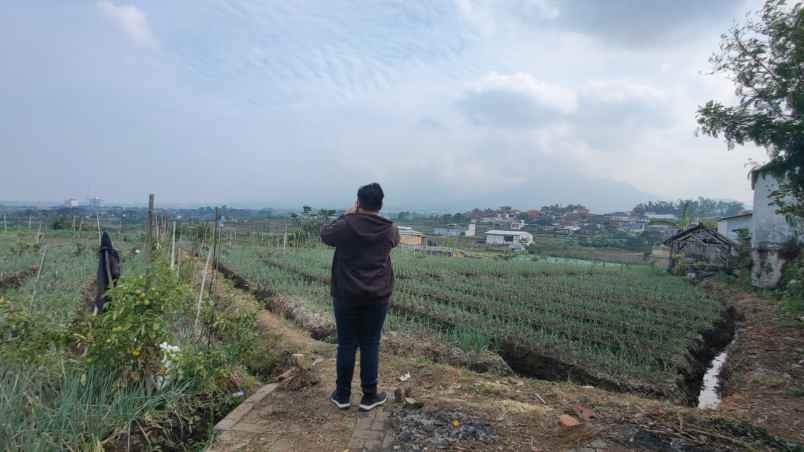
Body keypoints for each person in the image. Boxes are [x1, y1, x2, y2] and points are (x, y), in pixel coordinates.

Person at [320, 183, 400, 411]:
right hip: (377, 296)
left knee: (346, 343)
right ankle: (369, 396)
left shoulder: (345, 225)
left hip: (345, 295)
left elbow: (325, 234)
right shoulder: (390, 228)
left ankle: (342, 395)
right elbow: (394, 243)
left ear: (358, 202)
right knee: (370, 343)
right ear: (380, 204)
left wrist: (345, 215)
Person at [94, 231, 121, 314]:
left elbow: (115, 271)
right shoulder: (110, 254)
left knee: (105, 296)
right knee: (107, 297)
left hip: (106, 283)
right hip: (108, 283)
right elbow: (116, 272)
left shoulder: (107, 254)